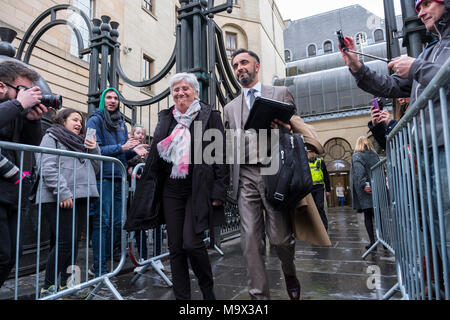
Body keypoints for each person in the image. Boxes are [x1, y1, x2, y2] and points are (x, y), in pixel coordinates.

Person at [342, 0, 450, 272]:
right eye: (417, 8)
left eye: (427, 4)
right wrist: (357, 66)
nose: (421, 12)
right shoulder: (430, 50)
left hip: (444, 149)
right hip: (424, 152)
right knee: (432, 222)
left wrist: (415, 68)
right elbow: (390, 85)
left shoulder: (427, 57)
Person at [124, 72, 229, 300]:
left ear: (195, 92)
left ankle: (208, 293)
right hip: (171, 190)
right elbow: (158, 153)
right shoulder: (166, 118)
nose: (180, 93)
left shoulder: (209, 115)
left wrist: (219, 189)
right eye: (176, 90)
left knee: (192, 244)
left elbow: (220, 153)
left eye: (185, 89)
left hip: (197, 189)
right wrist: (139, 167)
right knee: (176, 248)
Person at [223, 48, 306, 300]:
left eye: (244, 63)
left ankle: (289, 271)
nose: (239, 68)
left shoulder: (279, 93)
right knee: (250, 241)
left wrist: (285, 128)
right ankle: (259, 297)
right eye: (235, 65)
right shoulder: (229, 107)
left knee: (280, 240)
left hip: (274, 173)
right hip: (245, 176)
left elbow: (297, 128)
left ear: (256, 66)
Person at [36, 108, 100, 297]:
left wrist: (93, 148)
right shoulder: (52, 136)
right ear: (63, 120)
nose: (79, 124)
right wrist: (63, 192)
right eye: (75, 119)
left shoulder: (81, 142)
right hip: (59, 197)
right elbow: (47, 166)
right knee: (65, 242)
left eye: (81, 121)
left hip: (80, 197)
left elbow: (95, 168)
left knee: (73, 244)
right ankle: (48, 288)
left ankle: (69, 284)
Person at [86, 88, 148, 277]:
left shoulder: (121, 122)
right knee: (102, 222)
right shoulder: (94, 119)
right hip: (102, 177)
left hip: (119, 178)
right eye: (109, 97)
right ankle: (98, 267)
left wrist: (133, 150)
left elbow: (123, 151)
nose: (112, 101)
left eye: (116, 98)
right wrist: (122, 147)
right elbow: (92, 149)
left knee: (116, 223)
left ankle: (109, 262)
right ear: (103, 100)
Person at [0, 60, 51, 288]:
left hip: (10, 194)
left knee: (12, 254)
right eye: (24, 89)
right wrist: (19, 104)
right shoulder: (12, 107)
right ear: (3, 86)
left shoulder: (16, 113)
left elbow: (33, 146)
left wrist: (33, 121)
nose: (30, 95)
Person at [351, 136, 380, 250]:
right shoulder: (374, 155)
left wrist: (363, 184)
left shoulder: (357, 155)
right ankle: (383, 241)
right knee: (378, 217)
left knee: (368, 217)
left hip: (366, 191)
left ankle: (373, 242)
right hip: (377, 188)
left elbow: (359, 171)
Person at [308, 149, 331, 231]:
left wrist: (328, 189)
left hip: (319, 188)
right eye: (310, 152)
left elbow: (326, 176)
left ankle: (324, 227)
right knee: (311, 209)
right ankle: (314, 227)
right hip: (309, 189)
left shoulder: (320, 161)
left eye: (313, 152)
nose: (312, 153)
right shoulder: (304, 163)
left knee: (320, 207)